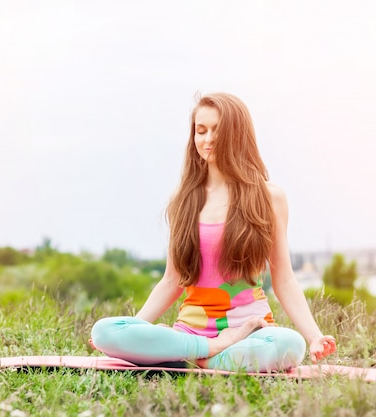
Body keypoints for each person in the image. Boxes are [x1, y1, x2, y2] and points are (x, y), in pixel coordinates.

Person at [91, 92, 336, 372]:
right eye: (201, 131)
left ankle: (193, 358)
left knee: (290, 344)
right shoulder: (182, 200)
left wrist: (314, 336)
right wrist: (135, 330)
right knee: (104, 331)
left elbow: (285, 279)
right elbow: (172, 281)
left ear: (237, 134)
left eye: (217, 131)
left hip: (252, 332)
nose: (207, 140)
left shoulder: (269, 197)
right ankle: (210, 353)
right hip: (190, 334)